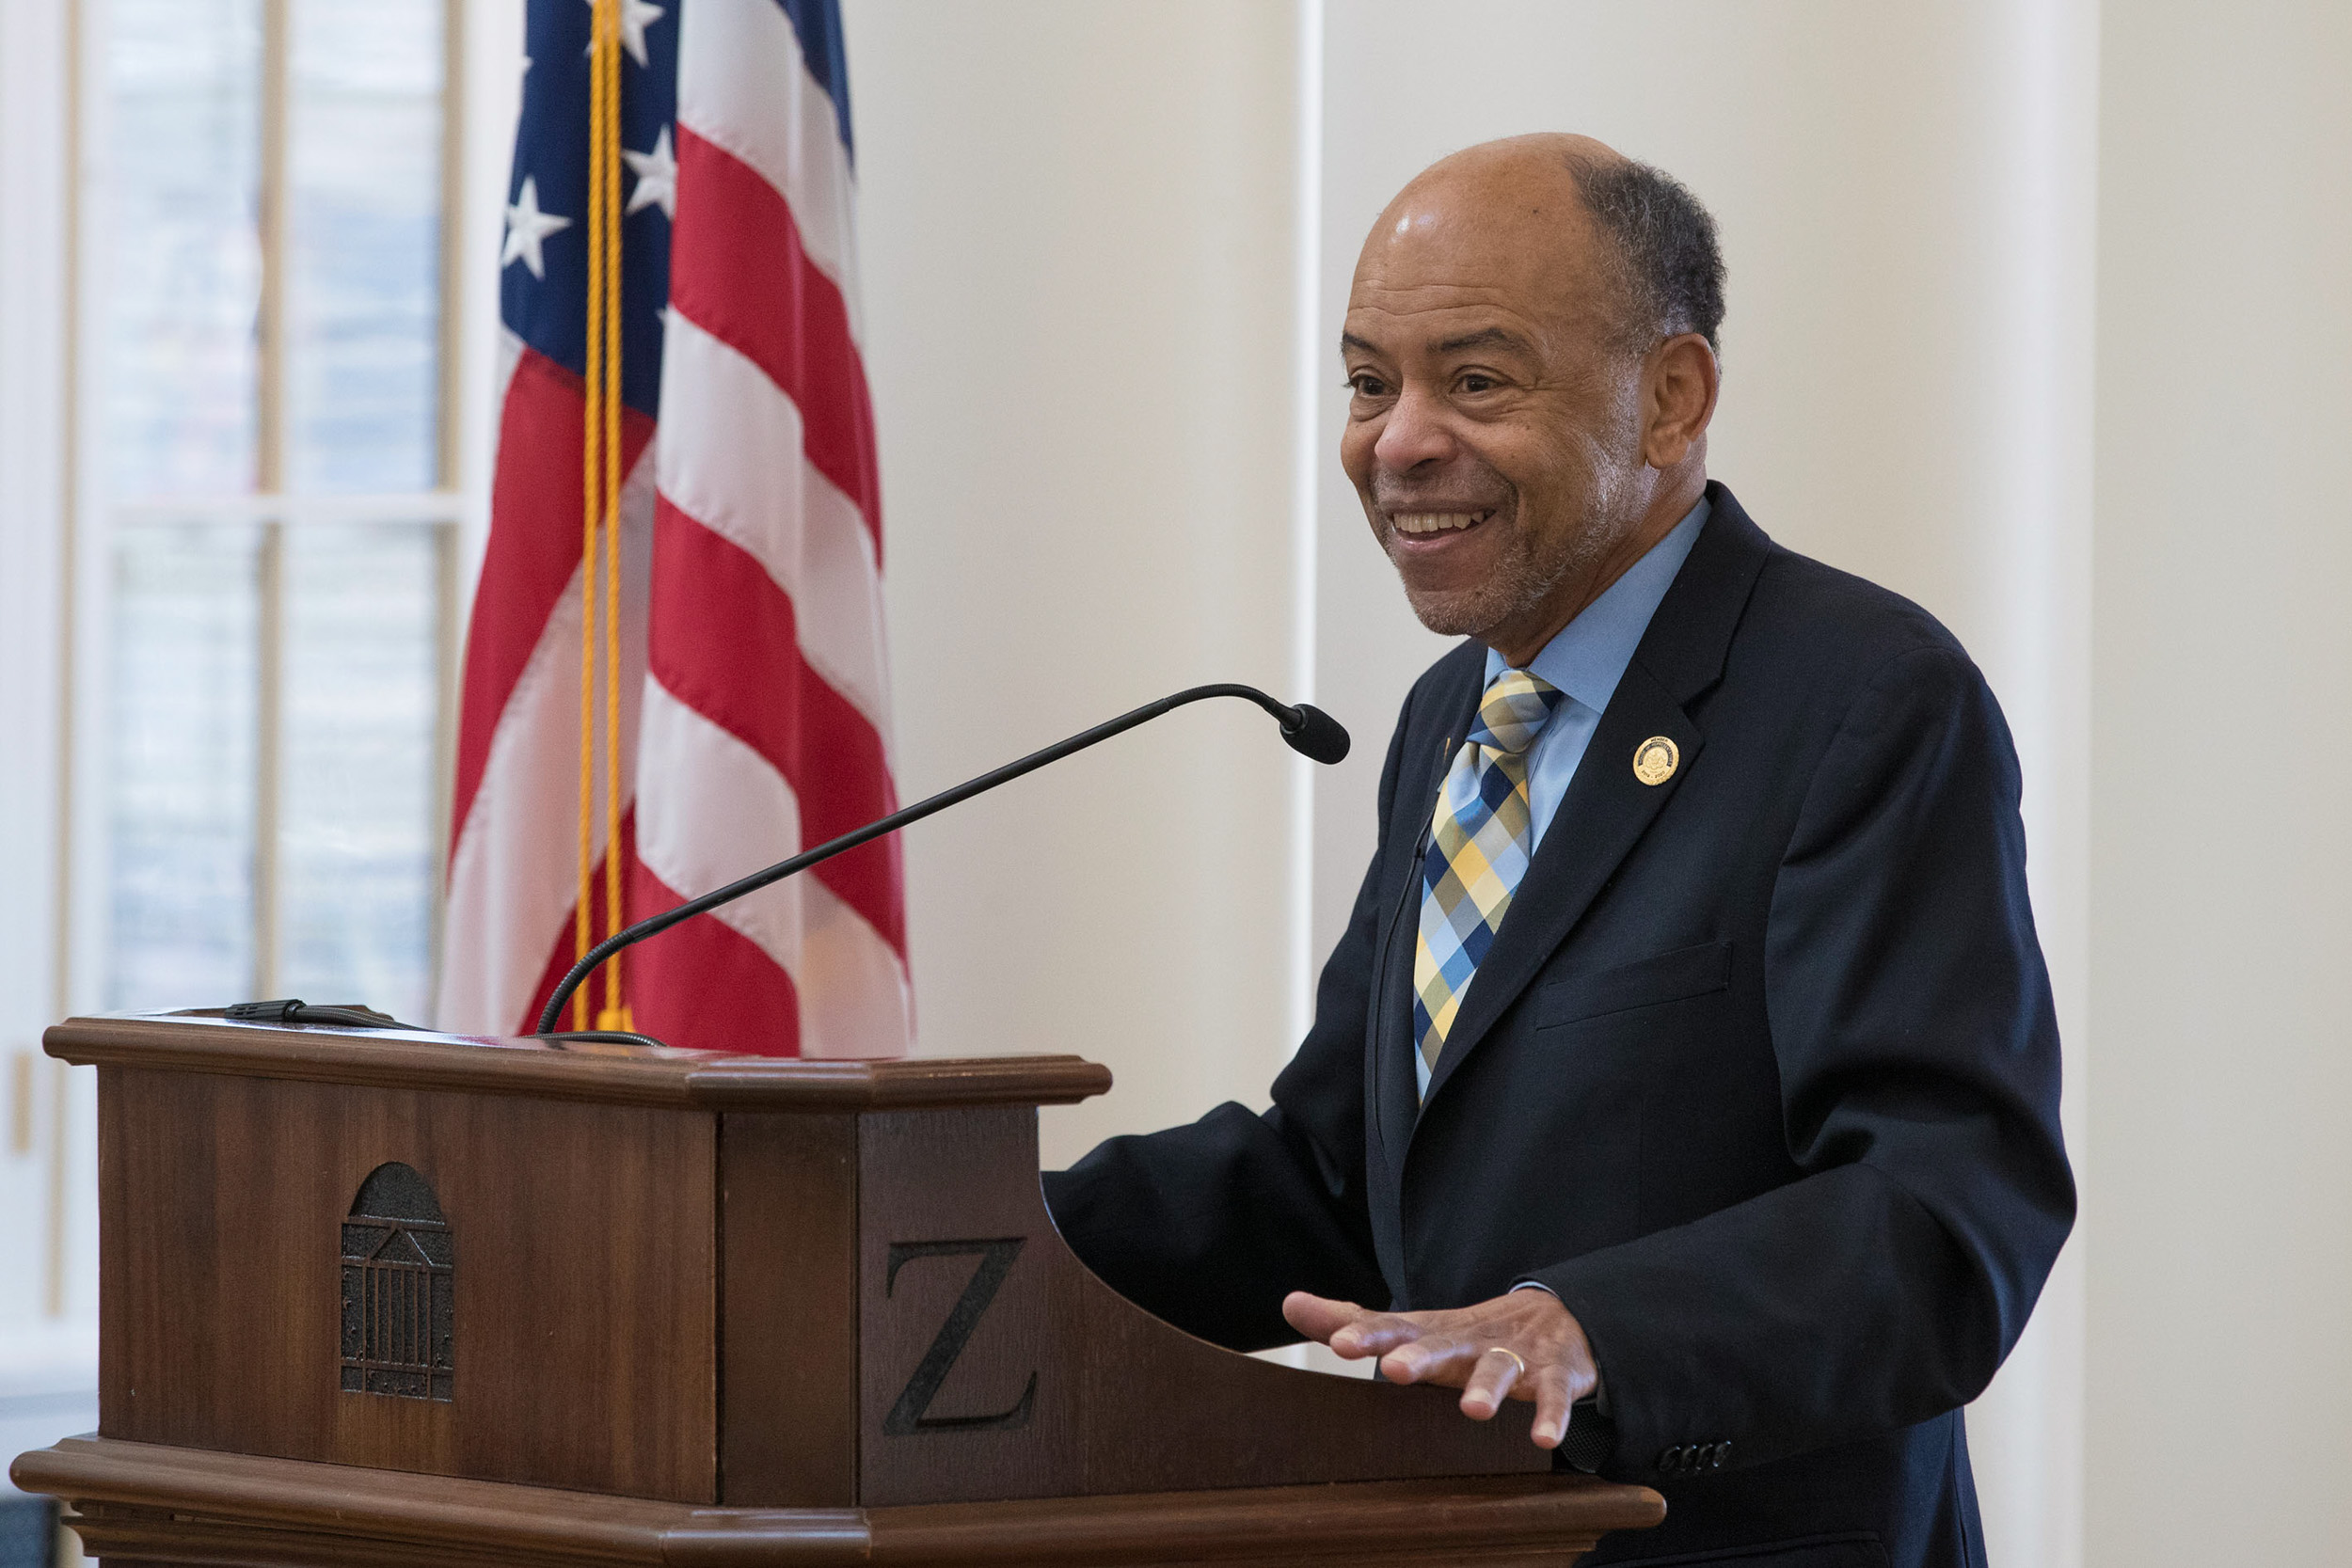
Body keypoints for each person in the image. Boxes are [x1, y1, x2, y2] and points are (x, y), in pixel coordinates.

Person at [1042, 134, 2074, 1567]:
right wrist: (966, 1245)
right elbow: (1340, 1181)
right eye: (1366, 382)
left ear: (1670, 398)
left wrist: (1591, 1330)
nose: (1395, 441)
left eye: (1475, 380)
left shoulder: (1859, 698)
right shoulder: (1452, 716)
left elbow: (1944, 1211)